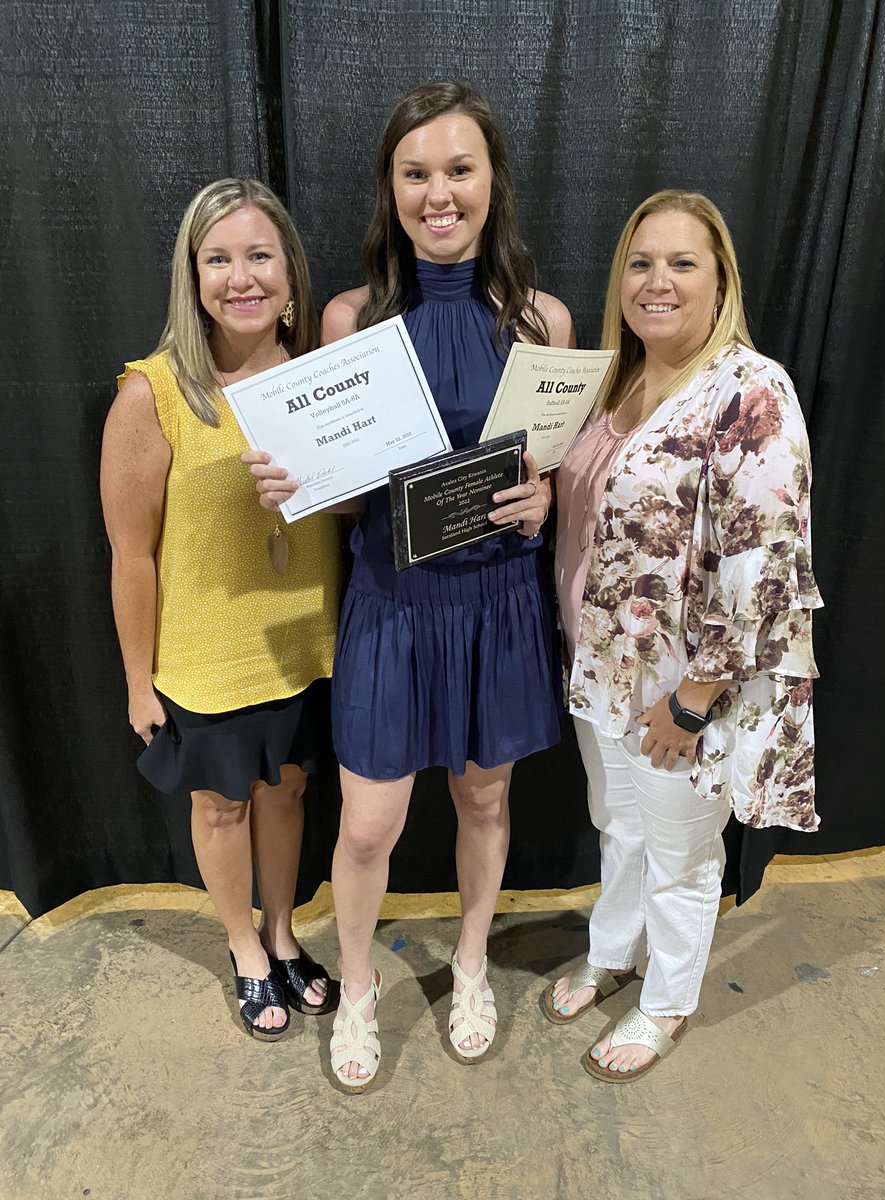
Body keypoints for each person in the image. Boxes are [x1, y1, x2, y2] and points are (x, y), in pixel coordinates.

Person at [244, 81, 575, 1089]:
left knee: (485, 804)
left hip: (499, 604)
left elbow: (547, 466)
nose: (440, 192)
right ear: (391, 190)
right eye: (416, 173)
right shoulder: (350, 318)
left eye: (459, 169)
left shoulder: (542, 317)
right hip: (393, 607)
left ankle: (471, 964)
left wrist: (546, 499)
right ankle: (358, 986)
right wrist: (296, 488)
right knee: (371, 824)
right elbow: (345, 501)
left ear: (491, 182)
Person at [548, 189, 822, 1081]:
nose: (656, 281)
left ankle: (666, 1001)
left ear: (720, 280)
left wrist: (695, 705)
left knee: (679, 853)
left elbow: (766, 570)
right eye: (640, 261)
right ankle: (612, 951)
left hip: (682, 687)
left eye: (681, 263)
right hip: (603, 668)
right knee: (616, 823)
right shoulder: (615, 379)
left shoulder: (752, 391)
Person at [100, 178, 342, 1041]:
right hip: (205, 659)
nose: (241, 278)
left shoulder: (328, 379)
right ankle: (243, 947)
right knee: (221, 808)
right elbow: (131, 554)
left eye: (259, 256)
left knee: (287, 795)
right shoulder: (153, 393)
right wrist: (139, 681)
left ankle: (282, 933)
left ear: (289, 270)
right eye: (218, 259)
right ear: (191, 275)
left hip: (306, 643)